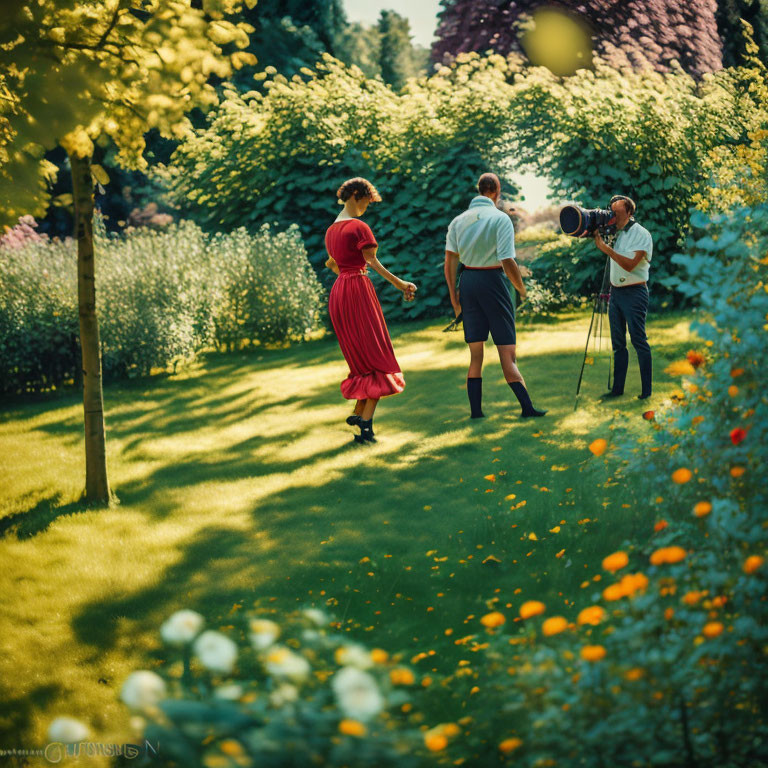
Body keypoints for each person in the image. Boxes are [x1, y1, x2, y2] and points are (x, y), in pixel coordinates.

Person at [444, 172, 546, 419]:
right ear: (496, 192)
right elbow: (507, 260)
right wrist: (521, 289)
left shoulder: (458, 221)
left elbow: (450, 262)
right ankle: (527, 408)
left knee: (476, 354)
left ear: (479, 190)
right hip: (493, 282)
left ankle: (476, 413)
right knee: (507, 352)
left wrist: (454, 299)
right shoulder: (500, 219)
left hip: (467, 283)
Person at [324, 177, 417, 444]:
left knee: (362, 358)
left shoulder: (331, 230)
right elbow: (371, 261)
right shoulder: (358, 227)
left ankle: (361, 415)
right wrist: (401, 284)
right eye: (366, 201)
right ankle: (364, 422)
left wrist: (349, 272)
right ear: (356, 195)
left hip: (339, 292)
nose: (367, 206)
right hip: (357, 291)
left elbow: (332, 264)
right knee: (378, 356)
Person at [594, 194, 653, 400]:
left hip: (635, 292)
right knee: (618, 344)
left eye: (618, 212)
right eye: (612, 212)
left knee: (638, 340)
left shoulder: (641, 234)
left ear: (629, 212)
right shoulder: (613, 233)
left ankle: (646, 392)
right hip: (616, 293)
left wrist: (606, 249)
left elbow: (629, 265)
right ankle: (617, 389)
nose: (614, 216)